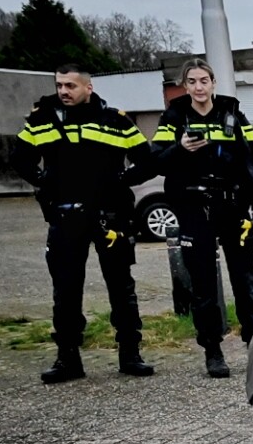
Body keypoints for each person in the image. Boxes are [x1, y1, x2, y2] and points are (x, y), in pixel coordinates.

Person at [151, 58, 253, 378]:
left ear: (213, 83)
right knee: (203, 285)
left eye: (204, 80)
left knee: (245, 282)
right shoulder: (174, 117)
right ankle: (213, 351)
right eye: (192, 81)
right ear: (185, 85)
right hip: (194, 207)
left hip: (232, 205)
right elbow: (156, 161)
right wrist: (180, 148)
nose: (199, 87)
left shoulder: (232, 113)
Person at [11, 63, 155, 384]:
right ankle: (68, 359)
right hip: (66, 216)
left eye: (70, 86)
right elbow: (19, 158)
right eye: (59, 85)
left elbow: (147, 161)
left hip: (110, 216)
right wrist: (44, 181)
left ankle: (130, 354)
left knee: (121, 287)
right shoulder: (42, 119)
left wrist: (121, 179)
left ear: (88, 87)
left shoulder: (114, 120)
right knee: (65, 290)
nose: (63, 91)